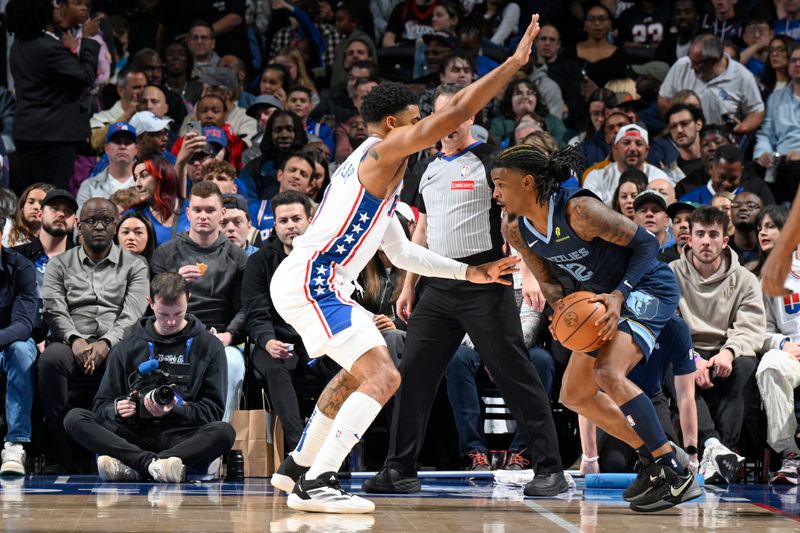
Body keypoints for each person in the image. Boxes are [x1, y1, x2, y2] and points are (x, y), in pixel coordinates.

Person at [267, 16, 542, 514]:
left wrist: (471, 272)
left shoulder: (379, 179)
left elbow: (401, 253)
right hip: (315, 281)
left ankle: (297, 467)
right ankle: (321, 480)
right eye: (417, 121)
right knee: (385, 376)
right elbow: (455, 110)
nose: (425, 130)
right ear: (396, 126)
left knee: (357, 373)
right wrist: (511, 65)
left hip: (312, 282)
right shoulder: (381, 150)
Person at [366, 80, 566, 495]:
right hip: (437, 286)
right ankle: (399, 469)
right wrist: (408, 286)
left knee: (516, 375)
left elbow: (521, 218)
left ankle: (551, 469)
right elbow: (421, 228)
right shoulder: (424, 168)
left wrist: (528, 274)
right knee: (414, 375)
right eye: (441, 115)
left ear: (470, 116)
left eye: (456, 114)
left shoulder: (493, 160)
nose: (449, 124)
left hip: (486, 282)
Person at [492, 143, 701, 512]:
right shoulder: (516, 229)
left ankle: (674, 472)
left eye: (500, 184)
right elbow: (551, 284)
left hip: (644, 287)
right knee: (574, 394)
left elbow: (648, 245)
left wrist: (620, 295)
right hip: (597, 300)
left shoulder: (580, 211)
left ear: (526, 183)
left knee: (607, 372)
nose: (495, 194)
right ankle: (654, 457)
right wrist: (561, 316)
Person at [63, 272, 236, 483]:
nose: (171, 321)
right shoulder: (127, 345)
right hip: (134, 433)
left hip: (181, 435)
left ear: (188, 300)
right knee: (75, 418)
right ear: (150, 303)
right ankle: (156, 465)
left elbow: (212, 412)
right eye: (164, 314)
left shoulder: (210, 346)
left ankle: (134, 466)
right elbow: (101, 406)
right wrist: (117, 408)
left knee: (224, 432)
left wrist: (176, 408)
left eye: (178, 313)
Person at [39, 198, 150, 472]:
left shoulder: (136, 265)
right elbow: (53, 308)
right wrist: (75, 339)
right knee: (51, 360)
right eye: (91, 221)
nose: (99, 227)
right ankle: (59, 451)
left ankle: (118, 451)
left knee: (131, 357)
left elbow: (133, 313)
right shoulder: (59, 264)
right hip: (69, 341)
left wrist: (107, 342)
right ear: (79, 225)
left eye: (106, 221)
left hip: (118, 342)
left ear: (115, 226)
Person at [670, 206, 764, 485]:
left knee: (747, 363)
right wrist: (693, 358)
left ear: (725, 241)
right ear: (689, 238)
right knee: (671, 363)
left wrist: (729, 352)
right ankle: (714, 445)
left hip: (724, 353)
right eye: (700, 234)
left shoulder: (745, 279)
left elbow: (751, 326)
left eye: (713, 235)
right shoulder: (670, 273)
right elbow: (667, 324)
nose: (706, 241)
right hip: (687, 352)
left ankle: (721, 450)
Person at [242, 191, 339, 451]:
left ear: (309, 220)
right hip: (274, 342)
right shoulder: (259, 261)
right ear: (274, 226)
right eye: (283, 221)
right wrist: (267, 340)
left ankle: (335, 450)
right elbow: (255, 311)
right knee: (275, 368)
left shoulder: (323, 260)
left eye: (296, 218)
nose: (290, 226)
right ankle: (299, 450)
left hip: (317, 342)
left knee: (344, 368)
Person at [150, 181, 247, 423]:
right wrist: (173, 282)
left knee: (234, 363)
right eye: (198, 210)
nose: (203, 216)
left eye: (210, 210)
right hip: (172, 332)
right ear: (188, 212)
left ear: (222, 213)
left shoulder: (237, 257)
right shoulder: (166, 252)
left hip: (219, 335)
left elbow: (245, 307)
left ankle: (218, 439)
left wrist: (229, 335)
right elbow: (151, 304)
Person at [6, 0, 102, 192]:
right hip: (53, 138)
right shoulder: (48, 47)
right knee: (52, 196)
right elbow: (85, 76)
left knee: (31, 195)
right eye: (53, 5)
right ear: (42, 13)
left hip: (29, 133)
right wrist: (89, 39)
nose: (58, 8)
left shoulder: (19, 45)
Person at [756, 231, 800, 484]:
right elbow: (760, 330)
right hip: (791, 353)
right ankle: (789, 453)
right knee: (770, 365)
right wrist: (781, 344)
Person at [12, 189, 77, 345]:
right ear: (40, 215)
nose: (61, 214)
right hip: (19, 338)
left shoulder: (83, 262)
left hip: (63, 343)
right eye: (54, 208)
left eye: (68, 211)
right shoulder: (15, 257)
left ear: (75, 221)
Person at [0, 213, 37, 476]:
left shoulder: (20, 267)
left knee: (21, 350)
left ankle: (15, 443)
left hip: (10, 343)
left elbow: (24, 324)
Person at [583, 125, 670, 206]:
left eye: (639, 144)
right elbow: (590, 210)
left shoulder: (659, 178)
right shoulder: (597, 177)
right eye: (626, 143)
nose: (632, 148)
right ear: (615, 149)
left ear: (647, 151)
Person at [77, 123, 138, 211]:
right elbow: (81, 221)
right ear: (107, 148)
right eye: (117, 142)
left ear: (136, 149)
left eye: (127, 142)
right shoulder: (89, 186)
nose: (122, 146)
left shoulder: (146, 185)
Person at [132, 156, 190, 246]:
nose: (137, 184)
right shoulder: (135, 217)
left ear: (161, 178)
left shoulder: (192, 209)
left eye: (143, 176)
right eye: (136, 178)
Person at [3, 183, 52, 248]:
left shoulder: (56, 243)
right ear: (22, 207)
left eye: (42, 203)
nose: (36, 207)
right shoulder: (6, 227)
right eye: (31, 202)